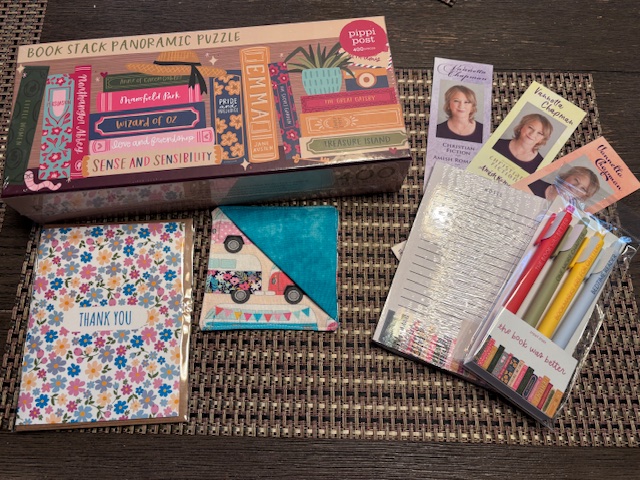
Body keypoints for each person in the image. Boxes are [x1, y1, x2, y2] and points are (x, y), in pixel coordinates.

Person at [528, 166, 600, 203]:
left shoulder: (566, 214)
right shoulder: (535, 183)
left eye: (583, 189)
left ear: (584, 196)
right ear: (568, 175)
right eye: (576, 180)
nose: (576, 187)